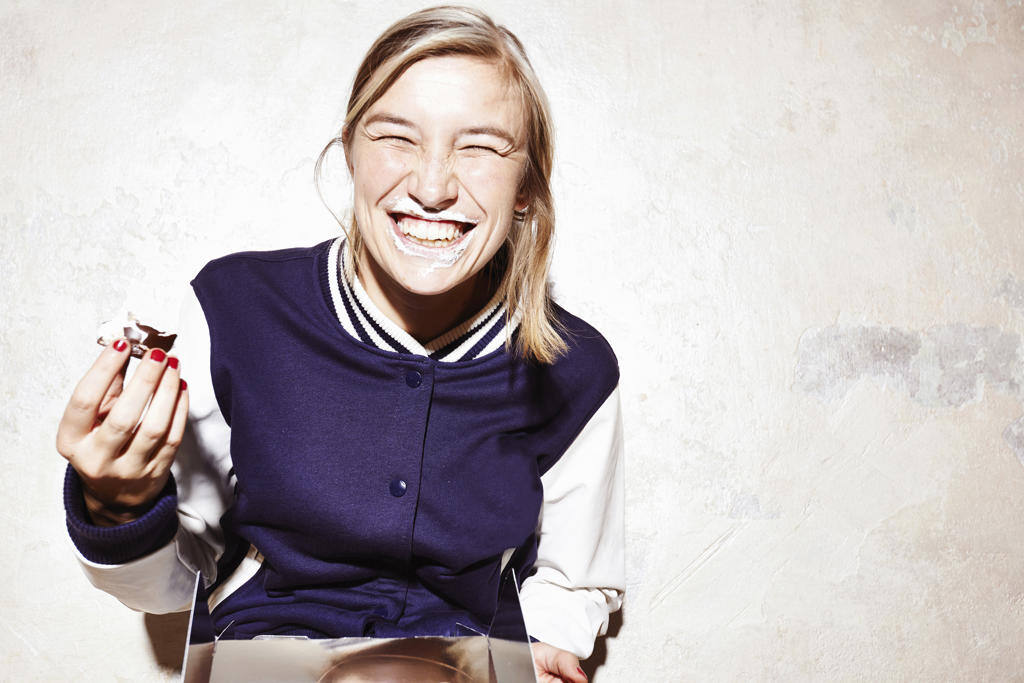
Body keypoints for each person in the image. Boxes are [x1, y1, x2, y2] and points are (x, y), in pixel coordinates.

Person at [56, 6, 623, 682]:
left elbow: (574, 577)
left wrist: (551, 641)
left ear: (526, 182)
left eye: (479, 146)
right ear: (350, 150)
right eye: (396, 138)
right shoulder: (236, 309)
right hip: (262, 659)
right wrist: (118, 502)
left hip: (462, 663)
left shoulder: (577, 367)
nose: (434, 185)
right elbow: (168, 585)